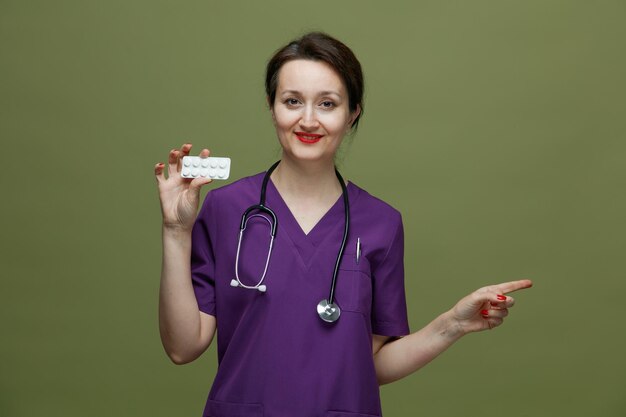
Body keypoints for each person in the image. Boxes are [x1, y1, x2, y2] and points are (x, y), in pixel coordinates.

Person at [154, 32, 532, 417]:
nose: (308, 119)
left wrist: (453, 324)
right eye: (292, 101)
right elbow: (183, 347)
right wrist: (174, 230)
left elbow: (370, 363)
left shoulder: (381, 223)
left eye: (327, 104)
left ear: (352, 113)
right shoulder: (226, 208)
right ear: (272, 107)